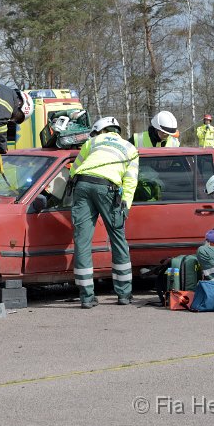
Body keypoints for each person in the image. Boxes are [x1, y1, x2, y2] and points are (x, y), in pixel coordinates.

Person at [70, 116, 139, 309]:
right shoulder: (130, 148)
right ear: (117, 131)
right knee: (118, 240)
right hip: (108, 189)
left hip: (82, 185)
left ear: (101, 131)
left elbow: (73, 171)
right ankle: (124, 294)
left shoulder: (92, 142)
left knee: (82, 241)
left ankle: (86, 297)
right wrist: (125, 204)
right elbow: (131, 180)